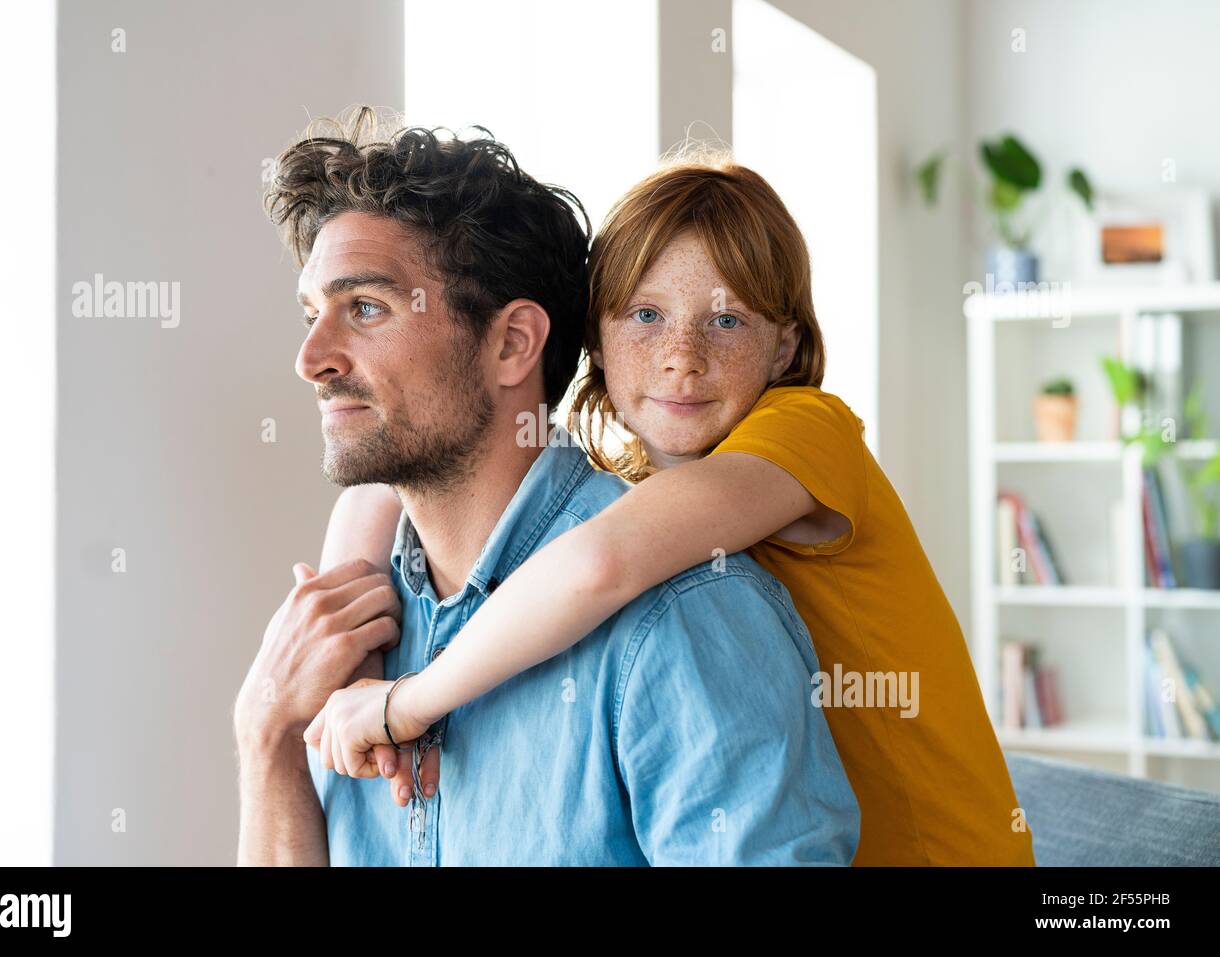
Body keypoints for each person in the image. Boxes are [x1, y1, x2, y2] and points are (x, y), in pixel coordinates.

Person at [307, 152, 1035, 866]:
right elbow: (383, 479)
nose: (682, 356)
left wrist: (406, 701)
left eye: (726, 322)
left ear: (785, 346)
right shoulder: (644, 482)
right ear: (595, 336)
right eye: (646, 315)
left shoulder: (809, 432)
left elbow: (600, 563)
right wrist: (353, 633)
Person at [233, 108, 859, 866]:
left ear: (512, 342)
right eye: (312, 313)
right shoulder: (344, 628)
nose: (311, 357)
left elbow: (602, 567)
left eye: (366, 308)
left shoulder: (680, 611)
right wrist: (266, 738)